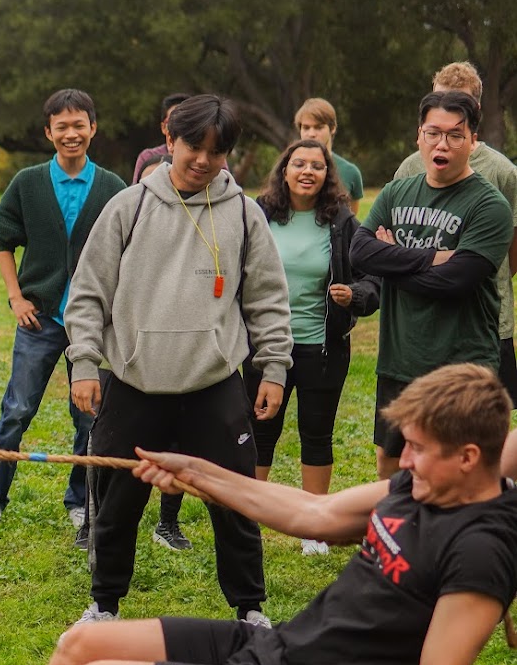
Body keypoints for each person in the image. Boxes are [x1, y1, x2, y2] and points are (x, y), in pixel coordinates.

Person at [0, 363, 517, 665]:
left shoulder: (480, 549)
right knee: (79, 647)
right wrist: (198, 472)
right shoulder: (416, 489)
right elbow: (311, 512)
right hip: (275, 651)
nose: (404, 461)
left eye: (420, 449)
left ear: (469, 457)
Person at [65, 94, 292, 626]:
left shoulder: (242, 212)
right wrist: (83, 362)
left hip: (213, 383)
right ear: (170, 141)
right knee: (116, 500)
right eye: (194, 146)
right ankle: (104, 604)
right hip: (134, 380)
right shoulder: (129, 206)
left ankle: (249, 609)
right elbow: (89, 293)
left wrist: (275, 368)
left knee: (235, 502)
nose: (203, 160)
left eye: (217, 151)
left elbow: (266, 298)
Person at [0, 89, 126, 549]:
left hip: (93, 322)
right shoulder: (28, 182)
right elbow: (4, 240)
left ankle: (80, 499)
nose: (71, 134)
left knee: (89, 415)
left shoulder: (113, 188)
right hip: (40, 317)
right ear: (48, 133)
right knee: (17, 409)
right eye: (62, 126)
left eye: (79, 125)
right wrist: (16, 297)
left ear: (93, 128)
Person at [350, 90, 513, 479]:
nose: (443, 144)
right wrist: (430, 257)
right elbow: (359, 252)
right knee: (391, 462)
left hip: (462, 363)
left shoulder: (489, 206)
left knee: (461, 467)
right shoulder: (396, 191)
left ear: (473, 141)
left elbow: (454, 281)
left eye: (456, 135)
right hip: (400, 359)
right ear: (418, 137)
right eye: (433, 132)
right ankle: (399, 537)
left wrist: (392, 260)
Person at [242, 140, 379, 555]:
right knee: (260, 431)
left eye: (316, 166)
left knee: (315, 434)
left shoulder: (341, 222)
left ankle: (314, 529)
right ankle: (248, 523)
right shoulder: (259, 215)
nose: (307, 171)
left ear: (327, 174)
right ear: (284, 170)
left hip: (322, 347)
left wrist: (352, 295)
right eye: (298, 163)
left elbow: (373, 283)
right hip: (265, 348)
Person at [391, 62, 517, 406]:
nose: (448, 114)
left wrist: (475, 271)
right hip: (419, 324)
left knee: (483, 419)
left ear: (474, 112)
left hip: (488, 322)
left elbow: (511, 250)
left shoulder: (503, 172)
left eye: (458, 104)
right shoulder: (410, 167)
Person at [130, 92, 194, 547]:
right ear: (167, 132)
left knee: (181, 437)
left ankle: (167, 522)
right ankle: (102, 523)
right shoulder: (148, 169)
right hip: (144, 332)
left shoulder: (219, 181)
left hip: (191, 330)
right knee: (124, 440)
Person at [294, 98, 365, 215]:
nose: (311, 134)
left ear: (332, 128)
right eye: (306, 127)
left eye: (318, 127)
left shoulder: (350, 172)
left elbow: (351, 224)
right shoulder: (287, 169)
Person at [131, 93, 191, 185]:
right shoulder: (148, 157)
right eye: (173, 121)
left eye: (187, 121)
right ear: (163, 127)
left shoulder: (207, 158)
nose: (180, 127)